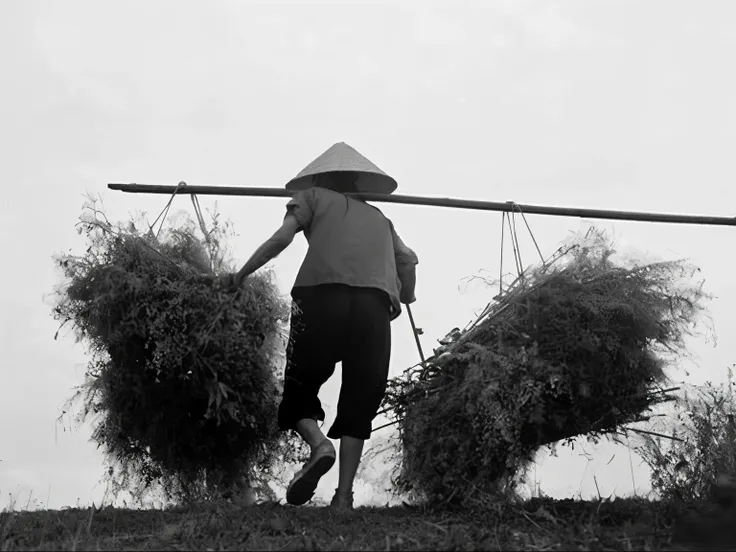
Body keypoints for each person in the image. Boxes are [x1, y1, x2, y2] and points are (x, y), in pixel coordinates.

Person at [219, 142, 419, 512]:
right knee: (361, 399)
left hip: (321, 297)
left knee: (300, 386)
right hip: (374, 310)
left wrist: (241, 274)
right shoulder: (380, 219)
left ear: (320, 178)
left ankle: (319, 445)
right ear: (358, 182)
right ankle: (344, 499)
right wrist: (406, 294)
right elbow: (406, 260)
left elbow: (282, 239)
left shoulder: (310, 197)